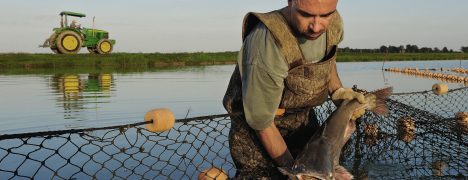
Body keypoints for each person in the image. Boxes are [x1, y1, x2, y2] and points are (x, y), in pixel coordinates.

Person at [223, 0, 366, 179]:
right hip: (260, 128)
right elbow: (261, 123)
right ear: (290, 2)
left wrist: (337, 90)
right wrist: (295, 172)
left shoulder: (334, 22)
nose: (316, 26)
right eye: (305, 15)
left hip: (301, 118)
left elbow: (328, 59)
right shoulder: (267, 43)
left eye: (325, 15)